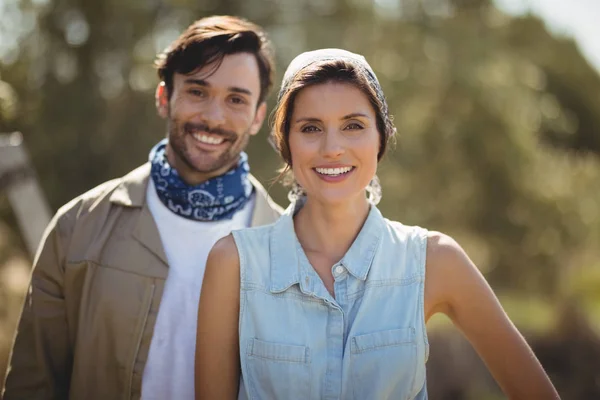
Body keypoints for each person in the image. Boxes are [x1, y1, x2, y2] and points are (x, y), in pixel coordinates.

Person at [194, 49, 561, 400]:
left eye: (353, 125)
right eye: (310, 128)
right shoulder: (234, 263)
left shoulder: (436, 260)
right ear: (285, 143)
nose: (332, 148)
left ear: (380, 137)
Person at [3, 15, 282, 400]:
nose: (214, 117)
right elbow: (31, 387)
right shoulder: (78, 227)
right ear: (164, 97)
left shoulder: (290, 248)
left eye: (236, 99)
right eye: (197, 91)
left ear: (256, 117)